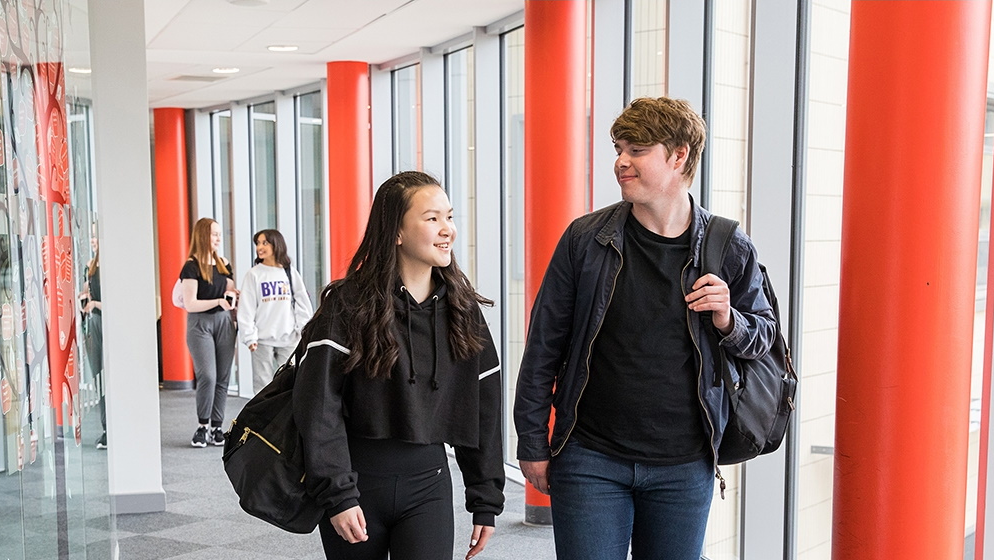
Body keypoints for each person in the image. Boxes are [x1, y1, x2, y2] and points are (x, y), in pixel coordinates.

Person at [513, 97, 778, 560]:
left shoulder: (727, 244)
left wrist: (728, 318)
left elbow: (764, 336)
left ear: (679, 155)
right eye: (619, 148)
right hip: (590, 457)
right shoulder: (586, 239)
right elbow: (543, 348)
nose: (620, 161)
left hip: (685, 464)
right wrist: (533, 441)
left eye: (637, 149)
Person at [293, 171, 504, 560]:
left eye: (450, 216)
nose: (448, 230)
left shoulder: (463, 311)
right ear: (396, 232)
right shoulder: (348, 305)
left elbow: (484, 405)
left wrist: (485, 496)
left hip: (429, 486)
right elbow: (318, 406)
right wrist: (338, 494)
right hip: (356, 485)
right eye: (432, 218)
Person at [180, 217, 238, 448]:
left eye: (219, 234)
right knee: (208, 376)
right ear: (202, 236)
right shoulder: (191, 266)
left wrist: (234, 296)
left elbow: (230, 290)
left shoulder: (223, 263)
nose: (218, 238)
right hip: (200, 324)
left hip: (224, 322)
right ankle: (202, 426)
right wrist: (217, 301)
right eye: (214, 234)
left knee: (223, 377)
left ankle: (217, 427)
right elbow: (190, 303)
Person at [237, 229, 313, 394]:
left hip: (288, 338)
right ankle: (261, 419)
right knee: (262, 387)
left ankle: (282, 419)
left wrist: (303, 329)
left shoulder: (289, 272)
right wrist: (249, 336)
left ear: (276, 244)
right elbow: (246, 307)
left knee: (287, 383)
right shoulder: (254, 274)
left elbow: (301, 301)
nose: (260, 247)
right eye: (257, 243)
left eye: (264, 243)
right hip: (262, 340)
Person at [78, 226, 106, 449]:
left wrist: (96, 304)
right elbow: (88, 291)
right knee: (100, 378)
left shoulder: (110, 265)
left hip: (108, 324)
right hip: (95, 324)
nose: (93, 239)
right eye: (92, 235)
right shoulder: (91, 266)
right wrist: (86, 297)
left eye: (97, 235)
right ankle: (107, 428)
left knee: (110, 377)